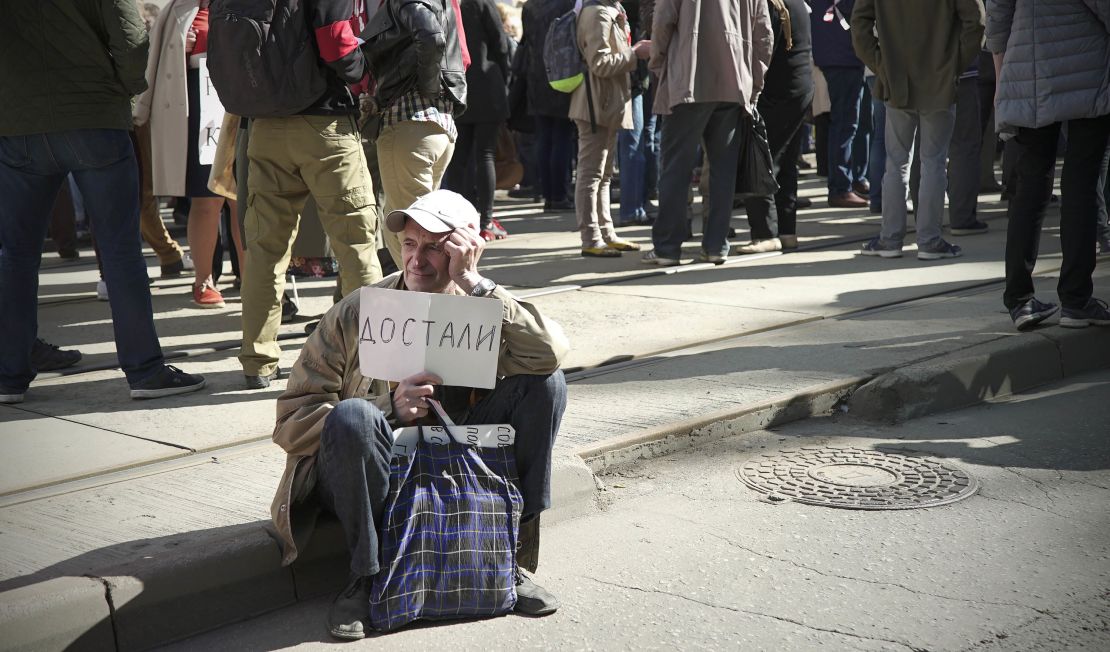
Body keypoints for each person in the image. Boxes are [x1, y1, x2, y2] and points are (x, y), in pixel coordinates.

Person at [268, 190, 569, 640]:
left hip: (460, 466)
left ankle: (511, 556)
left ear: (466, 250)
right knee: (353, 417)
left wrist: (475, 283)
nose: (417, 261)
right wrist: (387, 411)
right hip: (372, 478)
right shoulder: (358, 313)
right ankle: (365, 577)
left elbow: (548, 355)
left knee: (547, 385)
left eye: (435, 247)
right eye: (410, 244)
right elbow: (292, 420)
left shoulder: (484, 306)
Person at [1, 0, 205, 404]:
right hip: (93, 114)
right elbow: (130, 35)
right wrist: (124, 90)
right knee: (121, 253)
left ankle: (8, 375)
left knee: (16, 257)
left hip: (19, 123)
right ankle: (144, 369)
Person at [237, 0, 384, 390]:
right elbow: (336, 43)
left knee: (266, 248)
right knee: (356, 245)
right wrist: (362, 70)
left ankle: (258, 359)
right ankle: (371, 362)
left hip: (265, 128)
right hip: (324, 126)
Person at [988, 0, 1110, 329]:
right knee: (1081, 183)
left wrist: (1004, 80)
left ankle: (1019, 299)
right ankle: (1076, 299)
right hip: (1087, 71)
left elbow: (997, 17)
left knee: (1029, 186)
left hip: (1028, 72)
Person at [852, 0, 984, 261]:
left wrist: (881, 64)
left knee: (897, 163)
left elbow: (859, 25)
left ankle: (890, 239)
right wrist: (954, 65)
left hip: (898, 77)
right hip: (938, 79)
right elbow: (977, 22)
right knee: (933, 162)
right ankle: (929, 240)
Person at [643, 0, 773, 265]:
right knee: (722, 170)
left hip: (688, 80)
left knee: (676, 168)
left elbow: (662, 23)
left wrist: (660, 65)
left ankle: (668, 247)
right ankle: (716, 244)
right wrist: (753, 83)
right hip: (733, 81)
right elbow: (764, 34)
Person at [134, 0, 245, 308]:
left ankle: (252, 279)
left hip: (242, 103)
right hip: (200, 108)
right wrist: (182, 50)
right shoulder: (178, 10)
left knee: (244, 199)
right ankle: (204, 279)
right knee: (207, 199)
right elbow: (154, 61)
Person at [370, 0, 468, 270]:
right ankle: (432, 300)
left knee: (412, 233)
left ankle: (426, 303)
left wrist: (428, 85)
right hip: (434, 125)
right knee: (422, 228)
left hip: (410, 124)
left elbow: (431, 38)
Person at [571, 0, 650, 258]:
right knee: (592, 174)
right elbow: (599, 63)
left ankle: (606, 233)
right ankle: (592, 237)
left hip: (604, 104)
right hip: (596, 105)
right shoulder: (597, 14)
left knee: (603, 175)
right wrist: (634, 53)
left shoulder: (606, 11)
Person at [735, 0, 814, 255]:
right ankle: (786, 232)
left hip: (776, 92)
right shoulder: (796, 3)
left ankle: (765, 233)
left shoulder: (769, 5)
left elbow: (760, 50)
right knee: (785, 162)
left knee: (759, 160)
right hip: (798, 88)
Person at [443, 0, 513, 240]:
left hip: (456, 87)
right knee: (485, 155)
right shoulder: (482, 3)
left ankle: (456, 222)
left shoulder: (447, 4)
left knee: (458, 159)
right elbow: (501, 44)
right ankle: (485, 221)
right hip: (487, 84)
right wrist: (505, 77)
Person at [808, 0, 869, 209]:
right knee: (845, 125)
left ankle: (847, 182)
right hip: (844, 55)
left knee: (845, 125)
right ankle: (841, 188)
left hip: (835, 54)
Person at [521, 0, 577, 211]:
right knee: (562, 137)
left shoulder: (529, 7)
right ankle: (559, 195)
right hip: (563, 72)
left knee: (544, 137)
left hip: (536, 76)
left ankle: (547, 194)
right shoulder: (569, 3)